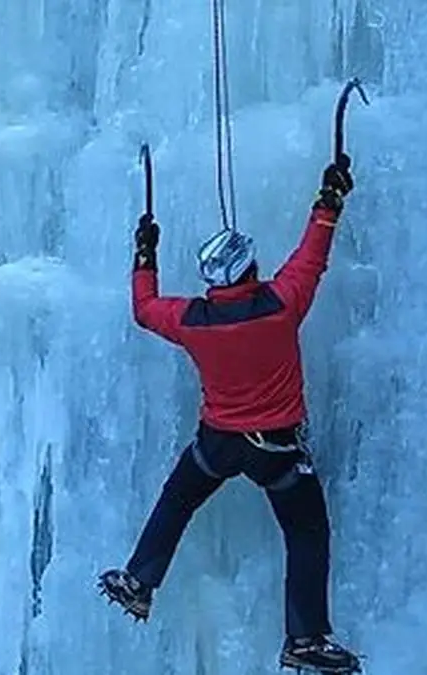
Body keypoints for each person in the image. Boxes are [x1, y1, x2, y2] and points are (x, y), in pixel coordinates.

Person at [97, 157, 362, 673]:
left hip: (217, 443)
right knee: (306, 534)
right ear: (252, 270)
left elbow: (145, 308)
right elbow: (313, 256)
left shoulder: (195, 320)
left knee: (177, 500)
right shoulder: (281, 305)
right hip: (276, 448)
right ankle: (304, 638)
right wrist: (329, 201)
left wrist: (145, 252)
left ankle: (139, 582)